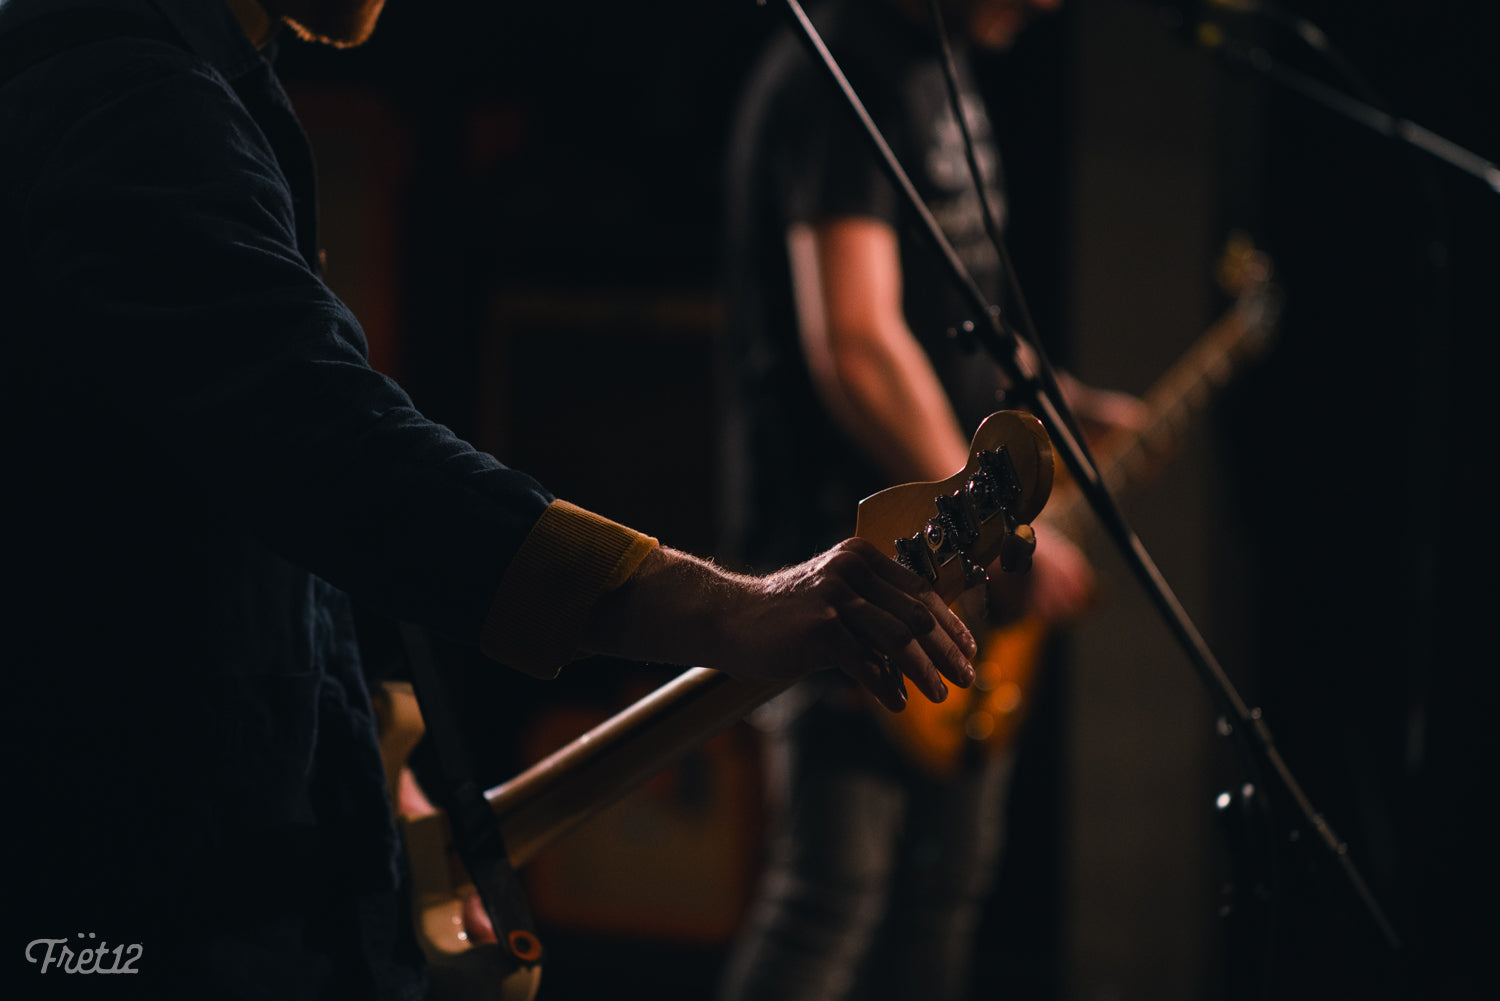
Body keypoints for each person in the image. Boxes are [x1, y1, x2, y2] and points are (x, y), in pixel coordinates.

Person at [0, 0, 995, 998]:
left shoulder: (194, 77)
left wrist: (369, 771)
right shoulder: (125, 88)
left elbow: (259, 501)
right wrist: (728, 608)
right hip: (139, 906)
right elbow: (333, 447)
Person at [717, 1, 1142, 998]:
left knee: (942, 892)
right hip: (849, 560)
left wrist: (1061, 402)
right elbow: (859, 344)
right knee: (833, 894)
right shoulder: (841, 71)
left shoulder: (938, 67)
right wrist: (993, 521)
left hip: (950, 561)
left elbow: (953, 316)